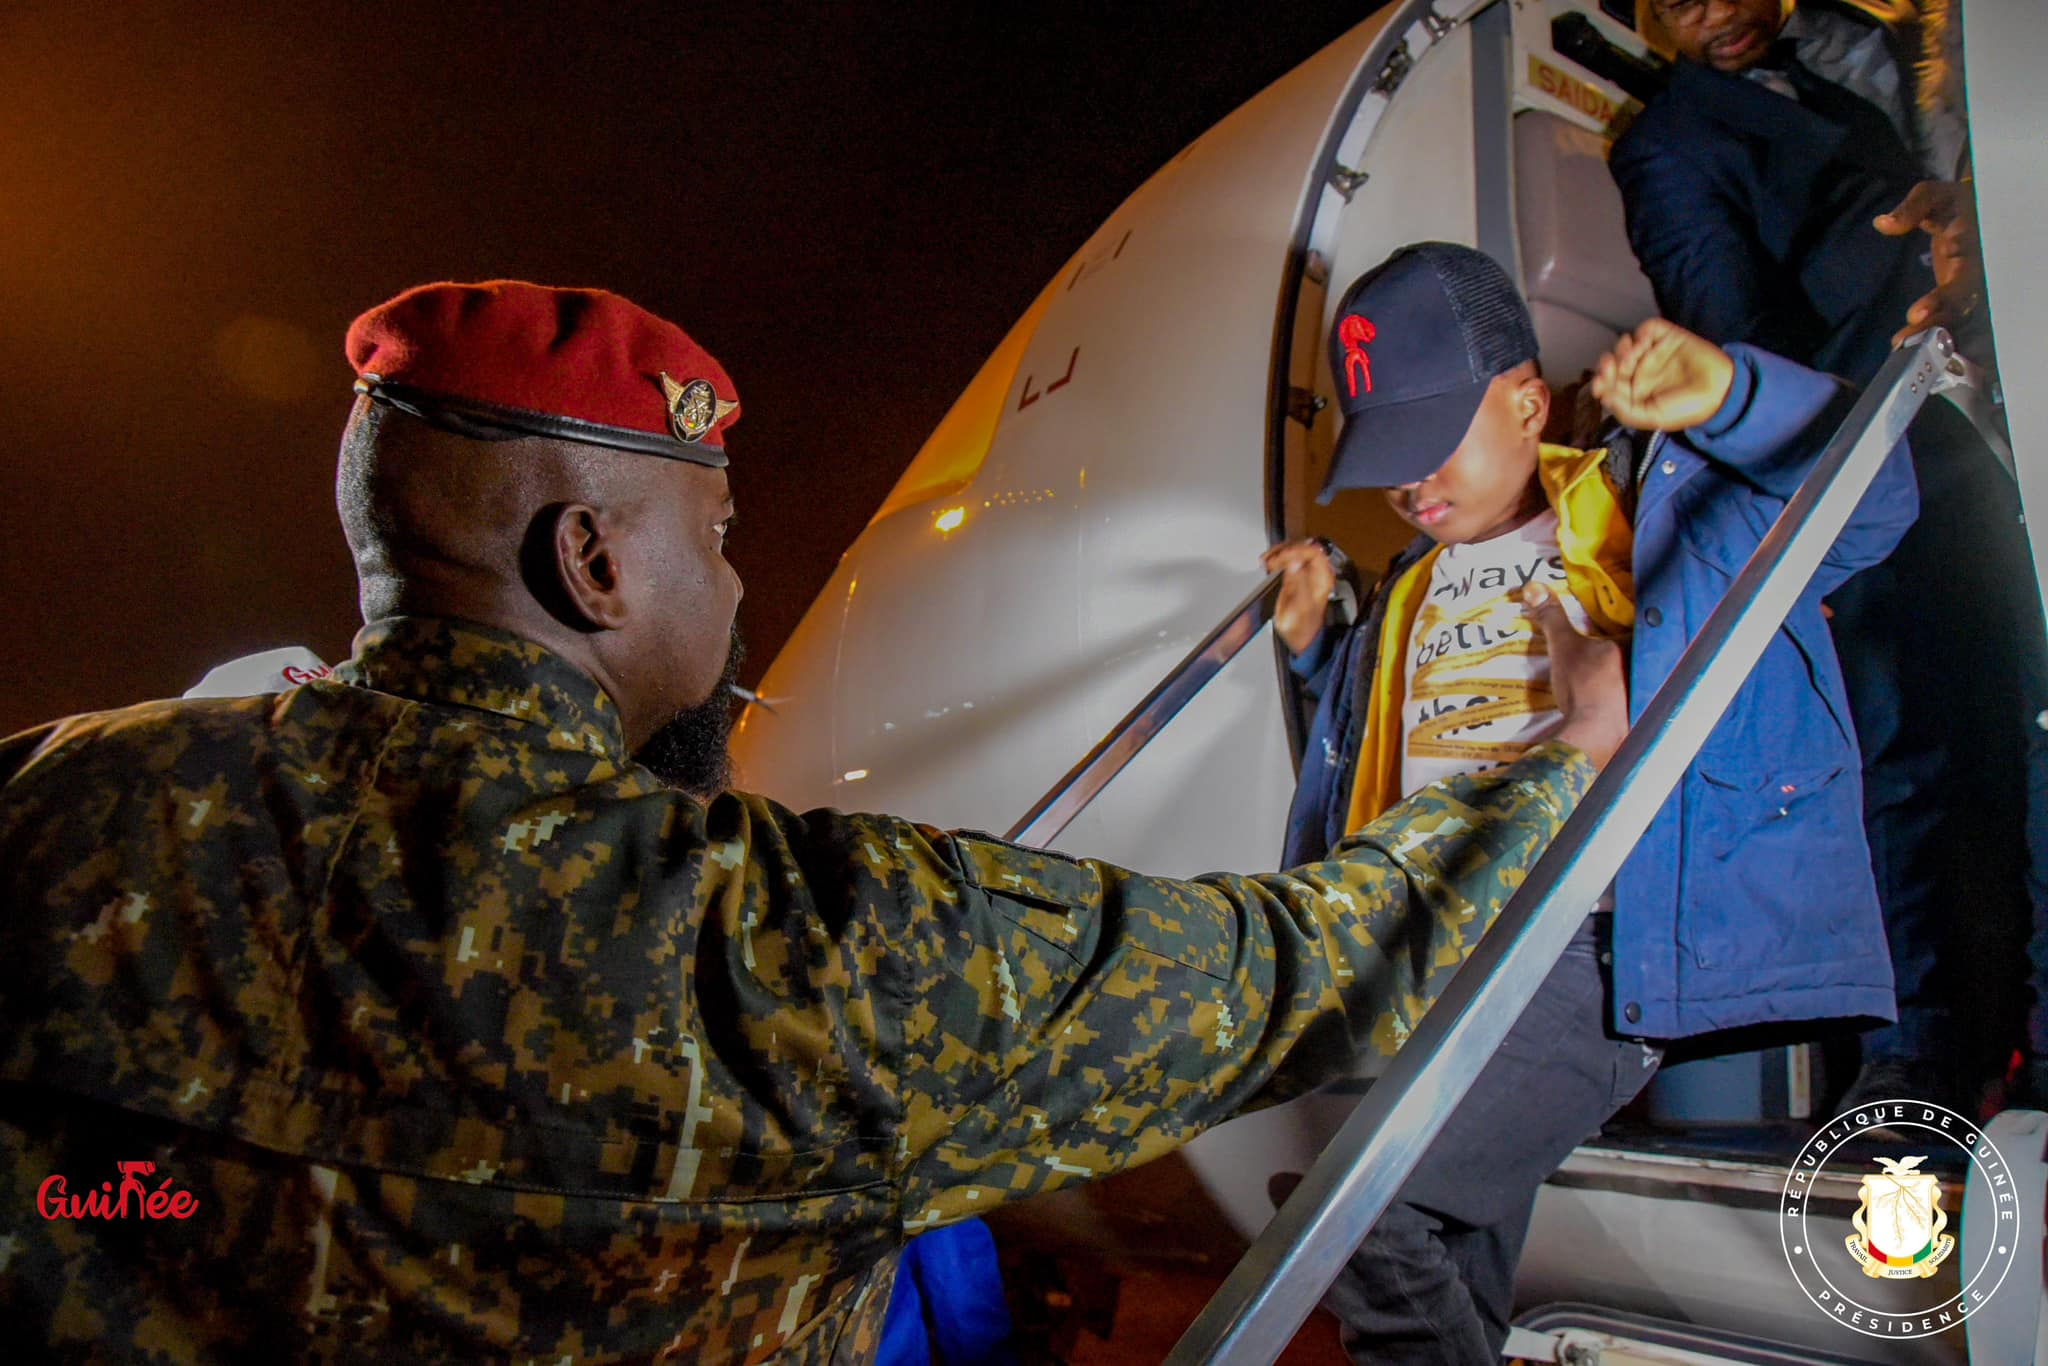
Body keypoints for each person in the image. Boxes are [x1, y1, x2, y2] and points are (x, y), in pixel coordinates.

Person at [0, 280, 1629, 1363]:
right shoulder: (796, 941)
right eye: (711, 536)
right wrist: (1559, 763)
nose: (736, 581)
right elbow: (1294, 968)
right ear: (593, 564)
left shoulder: (52, 805)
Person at [1262, 242, 1916, 1363]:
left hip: (1580, 944)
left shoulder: (1641, 509)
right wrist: (1323, 645)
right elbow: (1392, 738)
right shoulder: (1410, 584)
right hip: (1434, 948)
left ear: (1524, 401)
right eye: (1386, 459)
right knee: (1447, 1257)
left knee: (1360, 1214)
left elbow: (1866, 505)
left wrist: (1732, 398)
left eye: (1430, 444)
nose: (1410, 485)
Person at [1611, 0, 2045, 1113]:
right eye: (1669, 1)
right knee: (1903, 762)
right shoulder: (1669, 141)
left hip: (1999, 414)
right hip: (1877, 453)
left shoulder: (1863, 51)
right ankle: (1910, 1062)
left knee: (2021, 737)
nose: (1708, 11)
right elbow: (1722, 330)